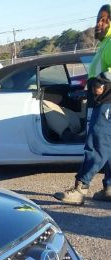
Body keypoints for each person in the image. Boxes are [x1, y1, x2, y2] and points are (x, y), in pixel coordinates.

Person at [55, 4, 111, 204]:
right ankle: (109, 188)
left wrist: (101, 81)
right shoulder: (105, 44)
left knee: (97, 144)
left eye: (104, 19)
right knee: (108, 146)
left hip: (107, 102)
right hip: (103, 101)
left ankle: (80, 188)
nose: (99, 23)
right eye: (98, 19)